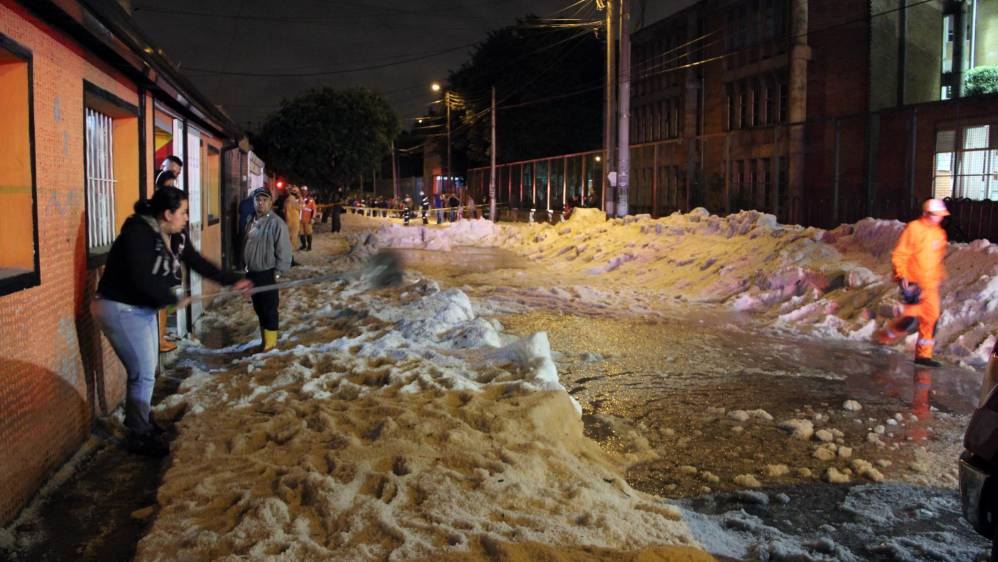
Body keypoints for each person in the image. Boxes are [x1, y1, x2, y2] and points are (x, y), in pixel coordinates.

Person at [92, 187, 251, 456]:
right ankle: (139, 433)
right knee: (142, 372)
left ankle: (140, 420)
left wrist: (232, 280)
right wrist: (170, 300)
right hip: (120, 307)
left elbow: (197, 262)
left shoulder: (175, 236)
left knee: (147, 369)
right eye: (184, 212)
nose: (187, 217)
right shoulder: (138, 235)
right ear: (167, 214)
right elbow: (141, 278)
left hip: (141, 308)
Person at [876, 198, 950, 367]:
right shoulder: (914, 229)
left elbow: (935, 260)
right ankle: (888, 332)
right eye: (936, 215)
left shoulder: (939, 233)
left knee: (930, 318)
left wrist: (938, 277)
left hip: (930, 284)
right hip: (913, 280)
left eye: (940, 215)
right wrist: (901, 275)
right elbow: (900, 254)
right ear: (927, 214)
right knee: (913, 318)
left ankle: (923, 355)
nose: (940, 218)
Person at [243, 187, 293, 352]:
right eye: (258, 200)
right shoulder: (251, 220)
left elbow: (284, 251)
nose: (260, 203)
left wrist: (277, 273)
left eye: (264, 200)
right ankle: (264, 343)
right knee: (259, 309)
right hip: (253, 273)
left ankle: (270, 346)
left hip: (268, 273)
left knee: (269, 309)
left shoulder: (276, 223)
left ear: (270, 202)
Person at [285, 186, 302, 256]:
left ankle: (289, 258)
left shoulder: (288, 199)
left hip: (290, 222)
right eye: (297, 192)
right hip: (293, 223)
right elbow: (302, 206)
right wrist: (300, 197)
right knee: (292, 241)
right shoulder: (292, 200)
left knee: (290, 240)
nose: (298, 194)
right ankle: (290, 260)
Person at [300, 186, 318, 250]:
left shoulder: (310, 200)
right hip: (300, 220)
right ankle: (304, 245)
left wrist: (313, 218)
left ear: (307, 192)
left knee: (308, 233)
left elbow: (314, 209)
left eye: (304, 191)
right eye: (302, 191)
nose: (303, 192)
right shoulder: (299, 199)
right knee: (301, 233)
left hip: (308, 220)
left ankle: (309, 246)